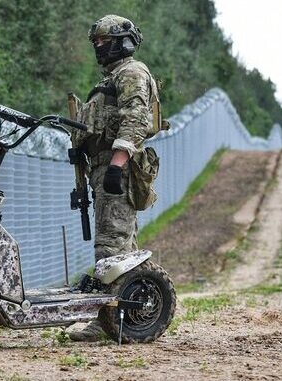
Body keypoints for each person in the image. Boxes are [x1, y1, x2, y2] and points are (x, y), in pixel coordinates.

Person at [69, 14, 161, 342]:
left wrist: (117, 164)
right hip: (103, 167)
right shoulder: (112, 78)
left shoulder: (131, 73)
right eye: (96, 42)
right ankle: (127, 315)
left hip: (115, 168)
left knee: (111, 245)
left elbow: (136, 118)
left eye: (104, 42)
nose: (98, 47)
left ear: (122, 41)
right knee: (121, 244)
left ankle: (107, 320)